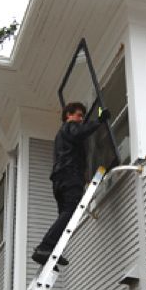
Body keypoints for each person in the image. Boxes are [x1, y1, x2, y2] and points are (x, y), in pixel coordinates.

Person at [31, 102, 109, 266]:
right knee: (70, 212)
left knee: (65, 216)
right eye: (79, 115)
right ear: (69, 115)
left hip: (60, 180)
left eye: (82, 117)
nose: (81, 120)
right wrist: (99, 121)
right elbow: (79, 133)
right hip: (69, 176)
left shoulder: (61, 137)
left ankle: (52, 250)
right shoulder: (70, 127)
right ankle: (45, 247)